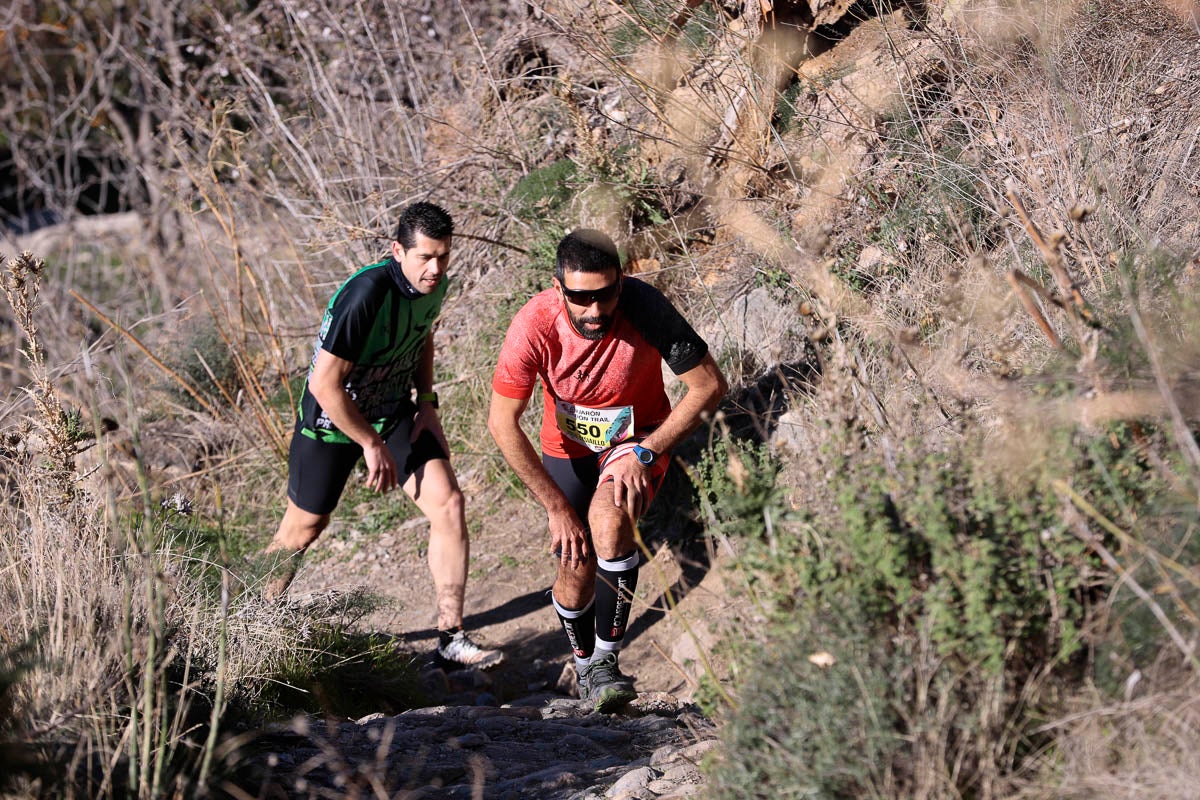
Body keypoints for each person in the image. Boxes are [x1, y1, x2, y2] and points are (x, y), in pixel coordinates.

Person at [487, 229, 727, 711]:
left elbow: (708, 386)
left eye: (606, 293)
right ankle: (583, 660)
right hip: (567, 448)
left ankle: (605, 663)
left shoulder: (645, 307)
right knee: (575, 565)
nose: (595, 309)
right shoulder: (534, 324)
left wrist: (649, 450)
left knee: (609, 520)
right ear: (558, 289)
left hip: (636, 441)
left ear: (622, 282)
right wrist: (555, 507)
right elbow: (501, 423)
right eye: (581, 297)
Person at [263, 201, 503, 670]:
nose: (435, 269)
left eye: (443, 257)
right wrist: (370, 443)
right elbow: (323, 384)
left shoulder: (435, 284)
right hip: (332, 422)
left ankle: (450, 639)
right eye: (425, 258)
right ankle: (250, 624)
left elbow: (422, 335)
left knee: (448, 503)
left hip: (393, 409)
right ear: (397, 251)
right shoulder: (365, 294)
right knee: (304, 528)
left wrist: (428, 404)